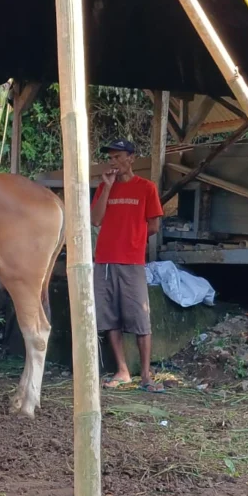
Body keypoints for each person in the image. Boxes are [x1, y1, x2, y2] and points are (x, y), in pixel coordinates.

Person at [91, 139, 165, 393]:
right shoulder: (104, 187)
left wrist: (132, 239)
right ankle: (122, 371)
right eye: (110, 158)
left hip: (132, 261)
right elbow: (95, 220)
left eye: (118, 156)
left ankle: (146, 375)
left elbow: (154, 225)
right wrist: (109, 189)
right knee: (110, 317)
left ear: (132, 158)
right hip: (104, 261)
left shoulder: (146, 188)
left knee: (140, 318)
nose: (113, 162)